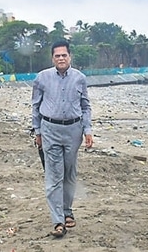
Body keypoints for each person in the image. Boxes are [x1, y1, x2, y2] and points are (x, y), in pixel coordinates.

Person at [31, 40, 93, 238]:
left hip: (74, 131)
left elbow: (85, 106)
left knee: (69, 175)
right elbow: (35, 106)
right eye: (57, 56)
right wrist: (37, 132)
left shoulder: (80, 79)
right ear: (52, 58)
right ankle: (58, 221)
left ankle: (67, 211)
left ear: (69, 56)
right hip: (50, 130)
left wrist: (87, 130)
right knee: (53, 176)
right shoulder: (42, 78)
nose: (60, 58)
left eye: (64, 55)